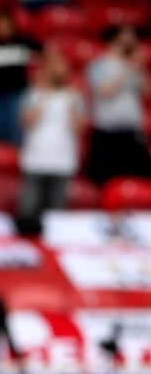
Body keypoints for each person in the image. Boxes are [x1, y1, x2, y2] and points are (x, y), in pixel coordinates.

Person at [17, 49, 85, 232]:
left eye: (61, 67)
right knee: (28, 213)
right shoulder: (32, 94)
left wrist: (72, 106)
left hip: (62, 162)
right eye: (53, 66)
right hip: (35, 160)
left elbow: (79, 128)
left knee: (57, 219)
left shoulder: (74, 96)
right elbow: (26, 122)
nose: (57, 71)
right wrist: (43, 96)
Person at [84, 25, 150, 186]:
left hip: (131, 132)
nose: (132, 39)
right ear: (115, 39)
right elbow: (104, 91)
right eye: (127, 35)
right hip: (107, 133)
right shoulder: (99, 65)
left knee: (140, 180)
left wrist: (140, 70)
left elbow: (148, 92)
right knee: (104, 181)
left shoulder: (134, 66)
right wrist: (128, 69)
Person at [0, 8, 38, 146]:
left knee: (16, 134)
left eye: (6, 24)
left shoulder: (23, 43)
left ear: (12, 25)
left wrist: (38, 80)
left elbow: (46, 56)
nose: (2, 28)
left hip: (18, 96)